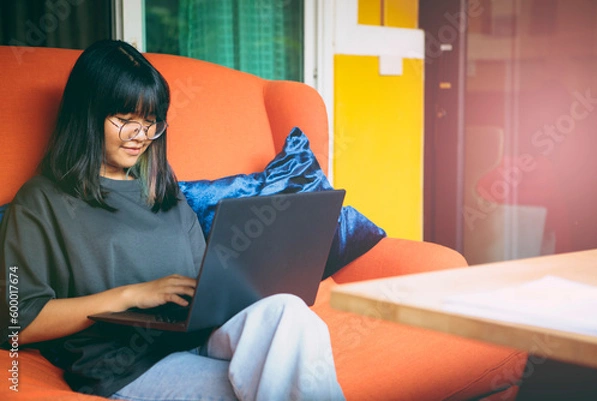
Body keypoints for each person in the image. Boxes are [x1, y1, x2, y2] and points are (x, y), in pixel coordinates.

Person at [0, 39, 345, 401]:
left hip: (199, 337)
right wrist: (133, 295)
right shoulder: (39, 202)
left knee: (289, 312)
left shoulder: (163, 189)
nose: (141, 137)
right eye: (125, 120)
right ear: (86, 114)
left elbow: (203, 279)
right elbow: (15, 323)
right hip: (126, 365)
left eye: (151, 123)